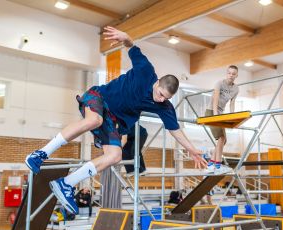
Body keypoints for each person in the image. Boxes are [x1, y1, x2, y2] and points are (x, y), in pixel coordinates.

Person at [25, 26, 206, 214]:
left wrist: (191, 149)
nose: (160, 99)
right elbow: (131, 47)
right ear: (157, 82)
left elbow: (175, 130)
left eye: (165, 98)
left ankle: (66, 184)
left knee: (115, 156)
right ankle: (40, 154)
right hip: (99, 97)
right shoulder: (145, 70)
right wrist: (126, 37)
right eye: (160, 94)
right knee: (94, 120)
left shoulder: (164, 106)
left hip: (113, 119)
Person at [205, 65, 239, 175]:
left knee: (224, 140)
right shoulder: (219, 83)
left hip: (221, 114)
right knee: (221, 138)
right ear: (226, 73)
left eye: (233, 74)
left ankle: (211, 164)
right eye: (229, 73)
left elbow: (232, 104)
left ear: (236, 75)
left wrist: (233, 119)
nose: (231, 75)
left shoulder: (236, 89)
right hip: (211, 112)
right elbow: (215, 98)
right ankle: (218, 165)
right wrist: (215, 115)